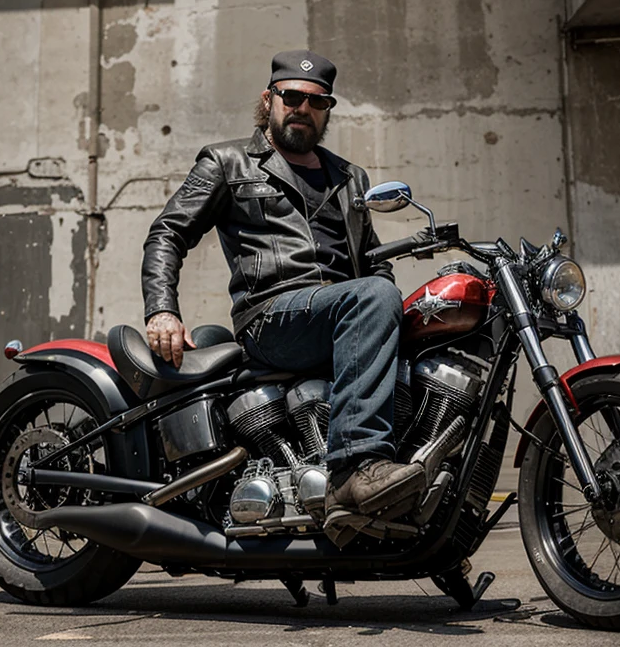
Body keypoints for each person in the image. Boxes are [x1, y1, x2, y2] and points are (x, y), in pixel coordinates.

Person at [141, 49, 425, 543]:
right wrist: (162, 309)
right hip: (272, 316)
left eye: (317, 101)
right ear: (269, 99)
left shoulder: (349, 177)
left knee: (419, 316)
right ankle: (356, 468)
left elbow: (372, 260)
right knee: (375, 298)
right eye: (292, 96)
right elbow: (167, 233)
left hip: (340, 312)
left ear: (327, 110)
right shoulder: (228, 162)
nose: (303, 108)